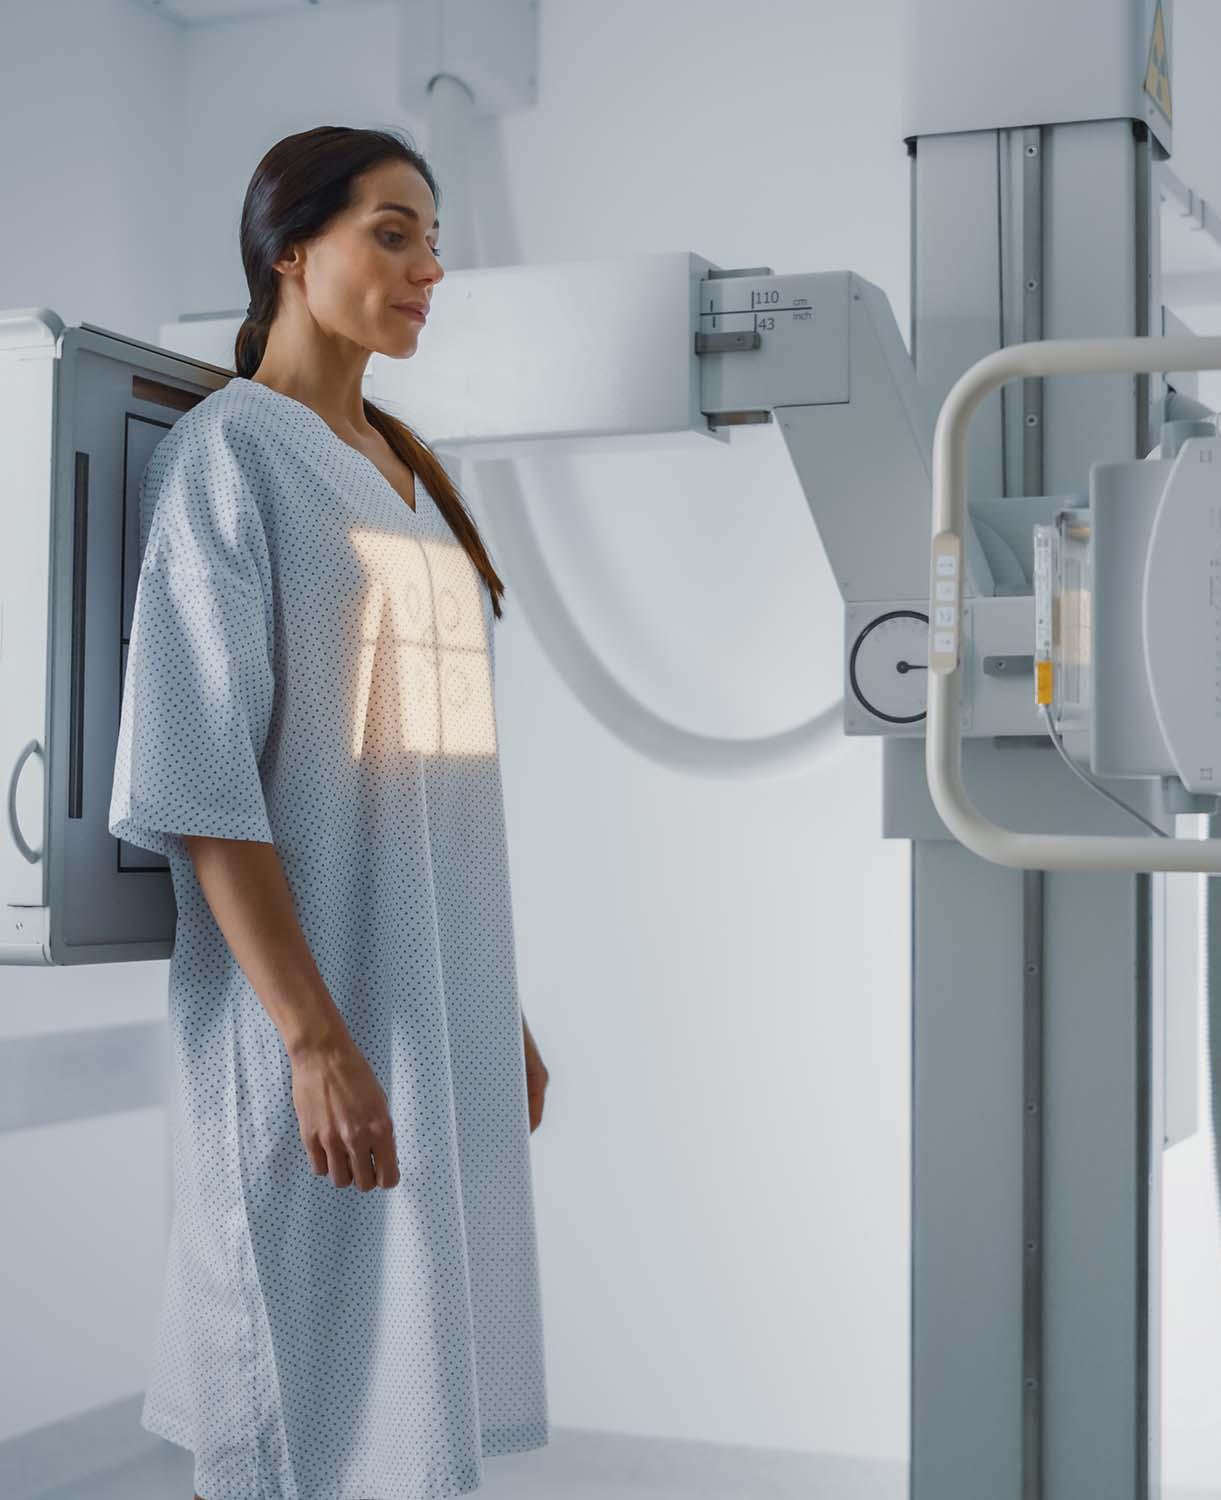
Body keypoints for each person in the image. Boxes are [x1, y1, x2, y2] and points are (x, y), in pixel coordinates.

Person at [108, 124, 551, 1500]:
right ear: (291, 252)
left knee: (416, 1401)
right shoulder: (233, 455)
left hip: (426, 1007)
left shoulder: (408, 473)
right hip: (308, 1010)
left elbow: (435, 780)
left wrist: (491, 1006)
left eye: (434, 242)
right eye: (393, 233)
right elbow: (200, 779)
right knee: (297, 1399)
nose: (429, 268)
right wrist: (310, 1039)